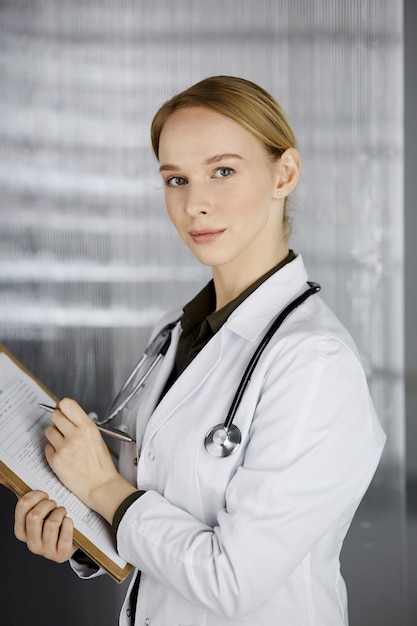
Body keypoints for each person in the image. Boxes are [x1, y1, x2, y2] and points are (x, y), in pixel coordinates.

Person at [0, 75, 386, 625]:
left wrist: (102, 487)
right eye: (175, 179)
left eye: (222, 171)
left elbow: (232, 581)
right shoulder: (175, 334)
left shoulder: (315, 363)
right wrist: (75, 530)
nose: (195, 203)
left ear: (286, 173)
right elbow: (148, 503)